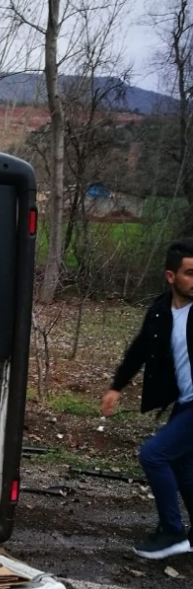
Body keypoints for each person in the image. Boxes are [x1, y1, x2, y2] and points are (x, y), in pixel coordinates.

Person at [101, 238, 193, 559]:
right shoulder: (159, 313)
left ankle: (172, 532)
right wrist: (116, 386)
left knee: (154, 455)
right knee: (182, 465)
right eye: (190, 273)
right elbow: (139, 350)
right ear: (171, 277)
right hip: (184, 403)